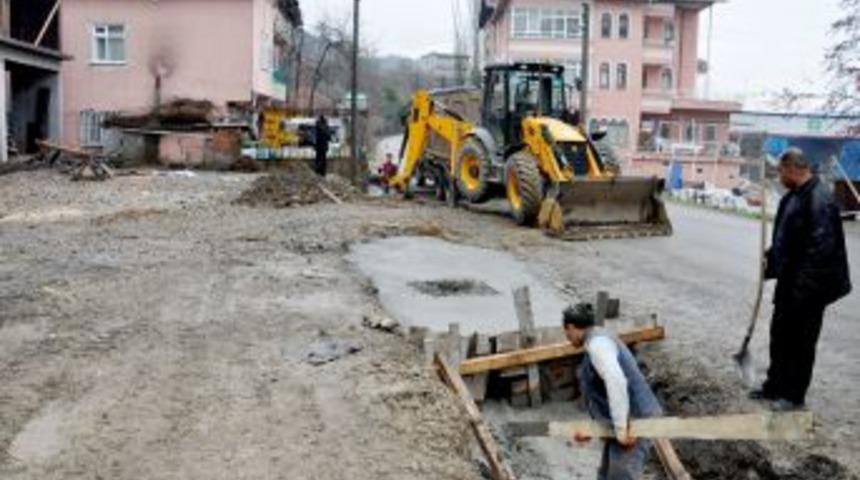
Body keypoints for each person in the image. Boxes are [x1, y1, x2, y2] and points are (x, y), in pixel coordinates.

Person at [749, 147, 852, 410]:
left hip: (810, 287)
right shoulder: (793, 197)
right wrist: (771, 258)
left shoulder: (819, 200)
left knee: (801, 342)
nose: (779, 176)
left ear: (793, 168)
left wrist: (802, 291)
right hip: (791, 281)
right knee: (780, 335)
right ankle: (775, 386)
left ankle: (794, 396)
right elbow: (788, 238)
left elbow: (821, 251)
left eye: (781, 171)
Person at [563, 303, 663, 480]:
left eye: (567, 332)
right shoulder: (597, 340)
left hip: (635, 422)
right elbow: (602, 395)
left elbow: (616, 382)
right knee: (605, 475)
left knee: (621, 475)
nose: (568, 337)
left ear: (571, 327)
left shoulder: (598, 344)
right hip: (624, 421)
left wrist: (621, 430)